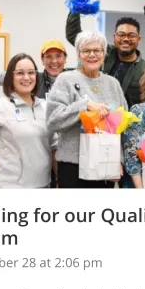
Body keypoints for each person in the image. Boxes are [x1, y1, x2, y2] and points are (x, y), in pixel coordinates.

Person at [47, 32, 128, 188]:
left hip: (105, 164)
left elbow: (122, 128)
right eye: (86, 50)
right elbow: (52, 121)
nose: (92, 55)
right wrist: (84, 105)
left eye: (97, 50)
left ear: (104, 54)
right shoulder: (65, 80)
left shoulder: (113, 84)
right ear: (78, 54)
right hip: (73, 166)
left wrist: (119, 160)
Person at [0, 53, 56, 189]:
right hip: (9, 187)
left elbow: (55, 146)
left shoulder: (46, 107)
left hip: (43, 186)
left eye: (31, 72)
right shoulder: (1, 106)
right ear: (10, 77)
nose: (26, 77)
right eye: (20, 73)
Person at [65, 0, 145, 108]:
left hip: (124, 123)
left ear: (138, 39)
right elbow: (73, 35)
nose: (125, 39)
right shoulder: (102, 53)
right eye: (121, 34)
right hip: (91, 117)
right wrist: (77, 2)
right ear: (114, 37)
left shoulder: (144, 70)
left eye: (131, 35)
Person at [0, 26, 68, 100]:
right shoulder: (32, 79)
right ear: (42, 60)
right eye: (48, 56)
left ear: (65, 58)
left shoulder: (76, 78)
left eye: (58, 56)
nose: (54, 61)